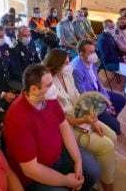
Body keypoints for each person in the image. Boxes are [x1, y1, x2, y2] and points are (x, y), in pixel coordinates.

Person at [3, 64, 100, 190]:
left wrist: (78, 160)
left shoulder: (48, 98)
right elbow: (31, 169)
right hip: (35, 174)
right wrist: (65, 181)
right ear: (33, 90)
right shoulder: (17, 118)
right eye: (49, 85)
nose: (54, 88)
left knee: (92, 171)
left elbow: (64, 125)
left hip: (60, 154)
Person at [43, 49, 117, 191]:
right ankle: (108, 185)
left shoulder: (67, 75)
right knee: (107, 146)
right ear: (56, 65)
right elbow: (61, 118)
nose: (70, 64)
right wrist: (85, 120)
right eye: (66, 63)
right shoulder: (49, 86)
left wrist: (93, 119)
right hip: (68, 126)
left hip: (82, 116)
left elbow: (78, 98)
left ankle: (107, 171)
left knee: (112, 135)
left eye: (69, 61)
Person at [71, 39, 126, 135]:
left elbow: (98, 82)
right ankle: (109, 123)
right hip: (91, 101)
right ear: (81, 54)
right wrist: (103, 106)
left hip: (98, 93)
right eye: (91, 52)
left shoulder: (90, 61)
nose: (95, 54)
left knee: (121, 100)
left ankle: (109, 119)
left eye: (95, 51)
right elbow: (84, 95)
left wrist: (107, 99)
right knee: (117, 126)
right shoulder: (76, 69)